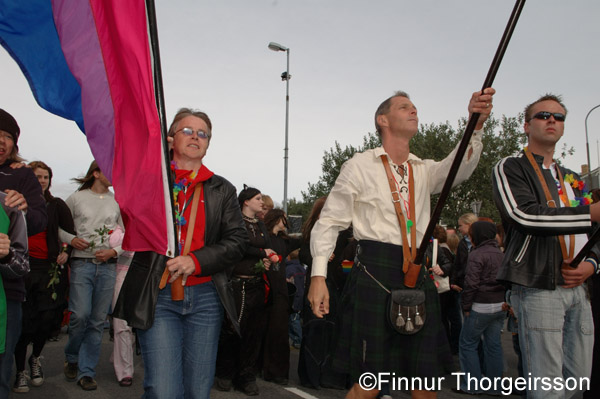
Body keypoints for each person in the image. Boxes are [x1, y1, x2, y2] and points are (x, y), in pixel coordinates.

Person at [308, 87, 495, 399]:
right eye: (405, 107)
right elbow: (329, 222)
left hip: (417, 272)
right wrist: (318, 276)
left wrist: (475, 125)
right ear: (383, 119)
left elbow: (459, 167)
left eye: (415, 108)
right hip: (374, 271)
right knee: (369, 385)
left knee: (425, 383)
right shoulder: (360, 165)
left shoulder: (423, 169)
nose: (414, 111)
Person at [492, 94, 600, 399]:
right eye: (543, 115)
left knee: (578, 382)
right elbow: (523, 215)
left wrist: (591, 265)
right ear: (526, 125)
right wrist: (589, 213)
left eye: (559, 116)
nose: (552, 120)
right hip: (538, 286)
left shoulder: (573, 178)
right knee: (547, 388)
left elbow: (595, 233)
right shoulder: (511, 167)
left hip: (579, 288)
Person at [135, 108, 247, 399]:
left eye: (203, 133)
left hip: (206, 298)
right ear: (171, 138)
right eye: (187, 130)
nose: (196, 137)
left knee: (198, 392)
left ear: (208, 144)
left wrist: (196, 260)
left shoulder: (222, 188)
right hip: (158, 295)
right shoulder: (150, 180)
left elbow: (237, 241)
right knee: (162, 390)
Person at [60, 160, 123, 391]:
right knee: (80, 316)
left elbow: (127, 234)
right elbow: (58, 225)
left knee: (97, 321)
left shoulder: (117, 200)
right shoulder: (76, 199)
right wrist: (70, 240)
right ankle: (72, 356)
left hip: (107, 266)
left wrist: (113, 251)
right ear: (96, 173)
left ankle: (86, 372)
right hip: (82, 264)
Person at [13, 161, 75, 393]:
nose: (41, 181)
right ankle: (19, 371)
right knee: (23, 324)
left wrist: (65, 252)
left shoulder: (56, 205)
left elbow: (70, 234)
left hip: (48, 271)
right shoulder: (15, 202)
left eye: (45, 177)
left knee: (45, 321)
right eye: (36, 176)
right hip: (21, 268)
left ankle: (35, 359)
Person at [0, 109, 46, 397]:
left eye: (8, 137)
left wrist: (26, 209)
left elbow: (41, 220)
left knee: (2, 373)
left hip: (8, 290)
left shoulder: (21, 176)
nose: (3, 142)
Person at [215, 185, 276, 396]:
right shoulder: (235, 222)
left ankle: (246, 375)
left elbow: (267, 247)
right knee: (233, 329)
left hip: (257, 284)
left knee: (254, 332)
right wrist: (261, 253)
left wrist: (267, 260)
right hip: (237, 284)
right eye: (258, 198)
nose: (261, 202)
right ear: (246, 201)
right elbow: (238, 246)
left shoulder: (260, 224)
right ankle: (225, 372)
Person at [457, 220, 505, 394]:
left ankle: (472, 385)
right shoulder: (501, 253)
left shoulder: (476, 254)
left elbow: (471, 283)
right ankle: (495, 386)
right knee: (494, 345)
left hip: (480, 305)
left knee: (467, 344)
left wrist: (466, 306)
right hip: (500, 305)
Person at [261, 209, 301, 385]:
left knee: (279, 332)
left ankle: (277, 372)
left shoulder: (284, 241)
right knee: (264, 330)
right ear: (278, 218)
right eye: (283, 218)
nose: (286, 220)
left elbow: (302, 239)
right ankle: (266, 368)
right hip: (265, 287)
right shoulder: (263, 238)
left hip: (280, 291)